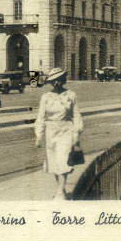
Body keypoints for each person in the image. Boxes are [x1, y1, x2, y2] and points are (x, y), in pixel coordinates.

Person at [35, 67, 83, 199]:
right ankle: (60, 188)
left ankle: (60, 192)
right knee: (54, 162)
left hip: (66, 130)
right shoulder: (46, 97)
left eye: (58, 80)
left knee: (63, 160)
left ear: (63, 80)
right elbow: (40, 117)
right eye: (53, 81)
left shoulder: (71, 95)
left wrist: (77, 133)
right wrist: (39, 135)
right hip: (50, 131)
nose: (56, 83)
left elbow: (76, 115)